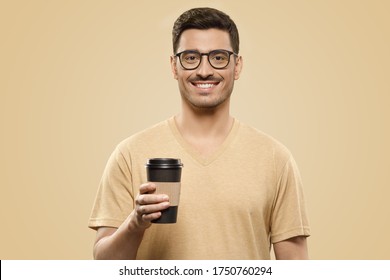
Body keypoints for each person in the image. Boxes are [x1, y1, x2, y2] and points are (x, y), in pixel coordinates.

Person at [88, 7, 310, 260]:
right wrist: (135, 223)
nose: (204, 70)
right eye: (191, 57)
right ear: (174, 66)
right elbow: (103, 264)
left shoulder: (275, 159)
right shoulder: (129, 154)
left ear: (237, 66)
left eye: (218, 57)